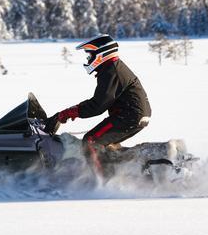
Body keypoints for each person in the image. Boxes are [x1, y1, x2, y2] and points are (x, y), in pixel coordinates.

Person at [46, 34, 152, 177]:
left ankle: (103, 181)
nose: (88, 59)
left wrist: (67, 113)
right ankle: (125, 172)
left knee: (91, 141)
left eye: (90, 55)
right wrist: (69, 112)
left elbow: (98, 105)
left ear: (101, 53)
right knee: (106, 144)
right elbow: (101, 101)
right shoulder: (112, 68)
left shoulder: (111, 70)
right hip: (132, 114)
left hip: (129, 116)